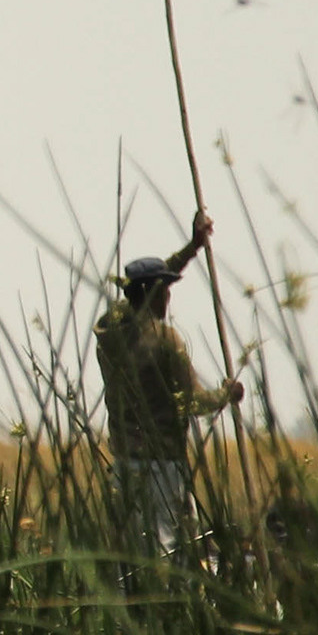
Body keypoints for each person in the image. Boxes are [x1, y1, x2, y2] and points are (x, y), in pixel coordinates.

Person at [96, 213, 244, 563]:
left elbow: (137, 291)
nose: (169, 299)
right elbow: (192, 401)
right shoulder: (165, 341)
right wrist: (227, 394)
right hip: (162, 466)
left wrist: (191, 250)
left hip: (123, 463)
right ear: (154, 295)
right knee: (169, 550)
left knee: (130, 556)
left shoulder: (109, 331)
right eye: (165, 291)